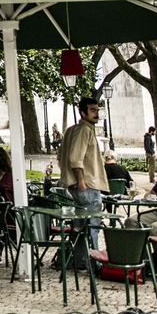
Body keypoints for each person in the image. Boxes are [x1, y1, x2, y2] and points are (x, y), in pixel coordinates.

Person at [58, 97, 108, 268]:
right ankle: (93, 261)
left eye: (97, 110)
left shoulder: (72, 130)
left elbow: (61, 157)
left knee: (80, 226)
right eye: (93, 110)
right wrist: (81, 181)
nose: (97, 113)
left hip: (78, 184)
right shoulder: (84, 130)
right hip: (87, 184)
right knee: (91, 225)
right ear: (82, 112)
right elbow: (75, 159)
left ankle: (80, 261)